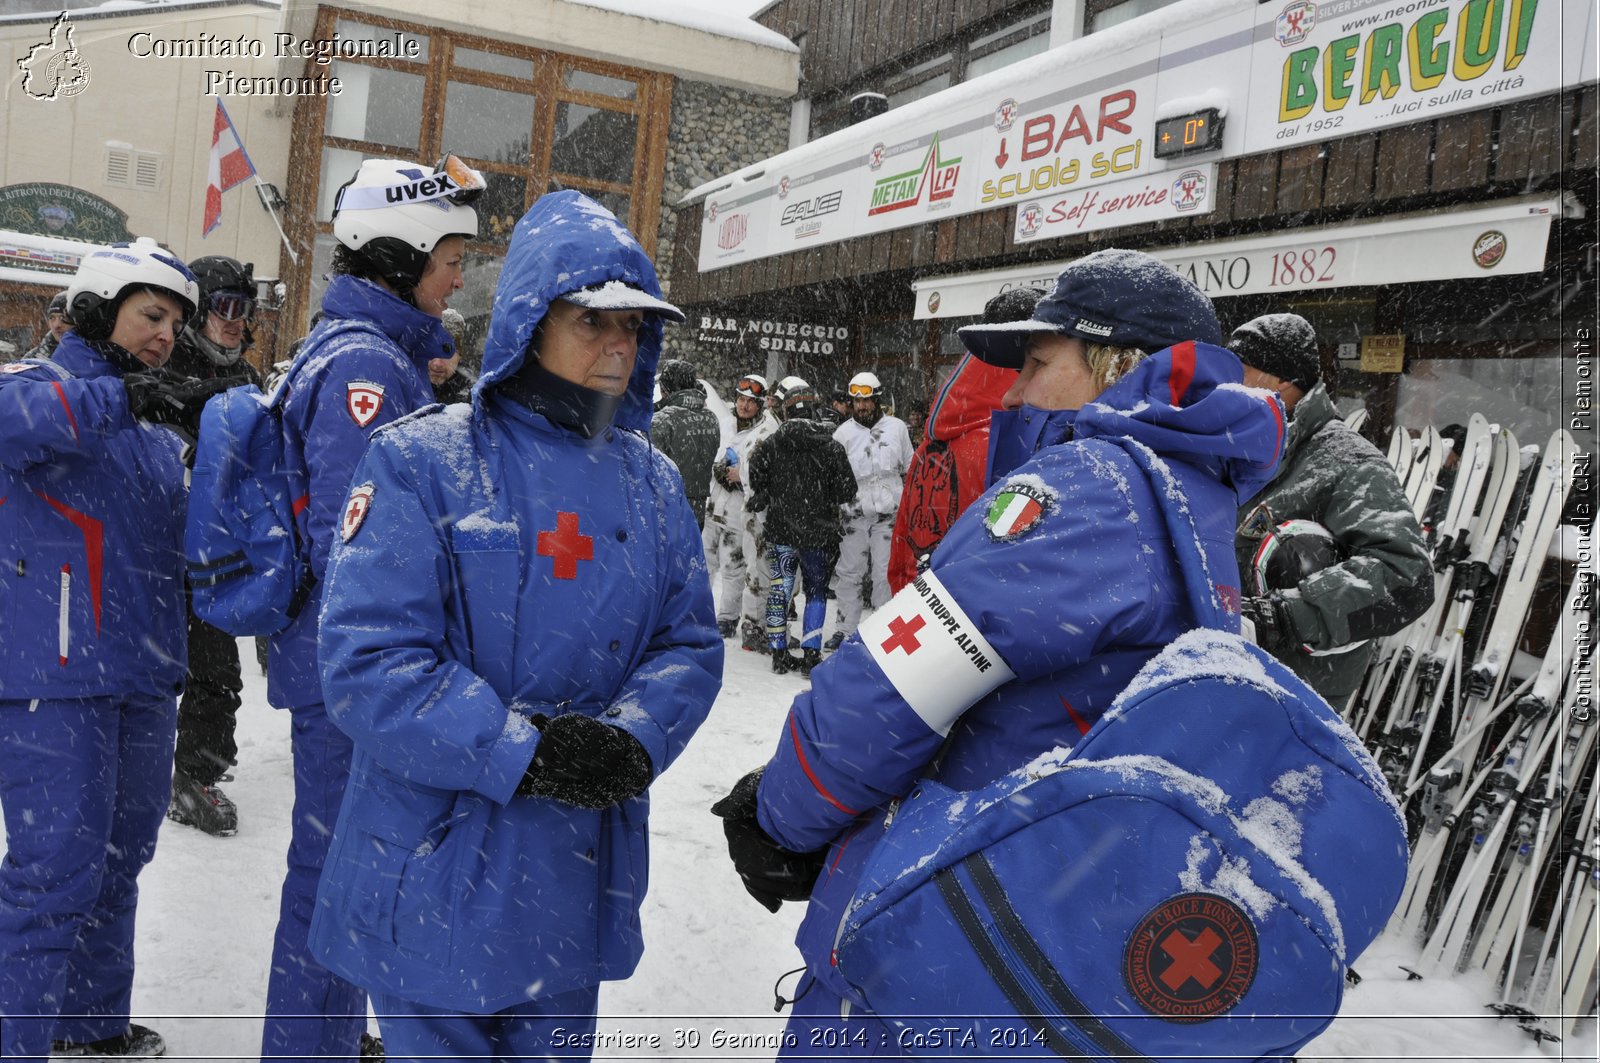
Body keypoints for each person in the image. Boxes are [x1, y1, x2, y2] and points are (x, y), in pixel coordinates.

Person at [711, 248, 1285, 1054]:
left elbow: (890, 685)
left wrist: (780, 814)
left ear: (1119, 365)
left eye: (1038, 362)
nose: (1012, 392)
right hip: (1045, 934)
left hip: (939, 930)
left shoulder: (1086, 488)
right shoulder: (1195, 495)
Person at [307, 189, 721, 1063]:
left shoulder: (653, 484)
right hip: (437, 854)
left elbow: (687, 641)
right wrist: (520, 747)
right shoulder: (422, 458)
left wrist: (634, 738)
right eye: (592, 320)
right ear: (532, 320)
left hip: (574, 869)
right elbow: (368, 659)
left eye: (635, 326)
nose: (620, 343)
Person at [261, 155, 478, 1063]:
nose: (460, 274)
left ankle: (326, 1035)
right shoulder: (363, 366)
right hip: (349, 668)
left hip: (342, 662)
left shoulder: (373, 353)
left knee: (345, 868)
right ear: (396, 255)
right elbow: (360, 547)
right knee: (335, 875)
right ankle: (308, 1046)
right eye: (449, 255)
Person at [0, 239, 204, 1061]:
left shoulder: (155, 432)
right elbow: (19, 424)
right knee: (54, 876)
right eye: (152, 314)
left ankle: (88, 1030)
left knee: (118, 867)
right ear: (97, 306)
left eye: (175, 323)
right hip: (56, 678)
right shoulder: (36, 388)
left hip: (145, 676)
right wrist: (126, 396)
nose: (165, 335)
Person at [1230, 312, 1433, 705]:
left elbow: (1407, 576)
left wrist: (1283, 617)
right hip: (1222, 675)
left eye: (1239, 371)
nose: (1225, 385)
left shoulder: (1346, 461)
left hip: (1295, 695)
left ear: (1281, 380)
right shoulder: (1235, 450)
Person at [163, 254, 261, 838]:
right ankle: (134, 759)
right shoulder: (168, 365)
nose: (234, 320)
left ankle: (197, 774)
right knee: (146, 664)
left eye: (244, 309)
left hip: (216, 549)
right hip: (156, 544)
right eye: (223, 306)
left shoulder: (247, 380)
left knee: (217, 668)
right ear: (199, 311)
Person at [885, 288, 1038, 593]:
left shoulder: (934, 441)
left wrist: (905, 592)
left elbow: (904, 537)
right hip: (977, 609)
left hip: (922, 603)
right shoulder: (1010, 447)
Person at [747, 383, 858, 676]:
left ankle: (778, 653)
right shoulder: (831, 445)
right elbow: (848, 489)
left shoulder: (771, 443)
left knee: (779, 590)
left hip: (782, 529)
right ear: (813, 410)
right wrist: (825, 495)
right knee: (816, 592)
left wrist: (768, 491)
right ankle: (811, 655)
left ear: (786, 410)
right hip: (818, 533)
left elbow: (755, 472)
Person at [827, 370, 913, 650]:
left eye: (866, 401)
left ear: (876, 399)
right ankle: (845, 629)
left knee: (884, 572)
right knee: (849, 572)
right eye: (856, 401)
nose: (861, 406)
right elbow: (833, 477)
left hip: (889, 513)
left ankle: (883, 629)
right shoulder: (842, 434)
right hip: (853, 514)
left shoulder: (897, 428)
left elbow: (911, 467)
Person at [705, 373, 780, 639]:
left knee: (733, 565)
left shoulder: (765, 431)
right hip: (715, 501)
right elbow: (714, 455)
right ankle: (700, 613)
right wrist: (717, 467)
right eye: (741, 399)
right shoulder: (725, 423)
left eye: (751, 401)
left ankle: (727, 618)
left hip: (740, 505)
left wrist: (741, 476)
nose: (744, 405)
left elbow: (767, 473)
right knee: (706, 561)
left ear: (760, 405)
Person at [650, 358, 721, 528]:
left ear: (664, 389)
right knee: (690, 552)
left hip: (666, 505)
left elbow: (648, 468)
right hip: (698, 506)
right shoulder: (711, 418)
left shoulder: (662, 420)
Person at [429, 306, 477, 404]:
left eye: (447, 352)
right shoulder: (403, 384)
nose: (437, 364)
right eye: (430, 352)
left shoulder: (474, 398)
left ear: (460, 355)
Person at [18, 290, 70, 362]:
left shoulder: (89, 356)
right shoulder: (34, 357)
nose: (56, 325)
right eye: (52, 318)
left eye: (63, 318)